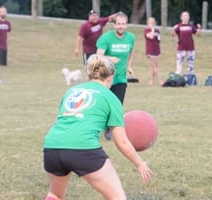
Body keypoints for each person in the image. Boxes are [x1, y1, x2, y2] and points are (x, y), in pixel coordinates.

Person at [43, 54, 152, 200]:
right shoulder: (111, 98)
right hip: (82, 148)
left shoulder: (71, 91)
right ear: (111, 77)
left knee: (55, 194)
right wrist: (140, 163)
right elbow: (122, 142)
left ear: (90, 74)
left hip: (52, 146)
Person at [96, 12, 135, 105]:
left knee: (117, 105)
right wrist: (109, 58)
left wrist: (129, 66)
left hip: (121, 79)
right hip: (105, 78)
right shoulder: (105, 38)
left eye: (123, 24)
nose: (120, 26)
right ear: (114, 25)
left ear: (126, 25)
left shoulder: (131, 38)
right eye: (118, 24)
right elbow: (98, 56)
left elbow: (131, 52)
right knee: (104, 105)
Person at [171, 11, 201, 76]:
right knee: (179, 64)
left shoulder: (191, 26)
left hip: (190, 48)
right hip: (181, 48)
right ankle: (177, 78)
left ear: (189, 17)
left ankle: (191, 79)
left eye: (187, 16)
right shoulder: (178, 26)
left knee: (191, 65)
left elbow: (197, 34)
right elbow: (173, 35)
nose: (186, 17)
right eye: (184, 16)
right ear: (181, 17)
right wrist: (173, 28)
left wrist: (199, 28)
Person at [144, 17, 163, 85]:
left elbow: (158, 40)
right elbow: (151, 37)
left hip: (156, 50)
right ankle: (160, 80)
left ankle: (151, 80)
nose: (152, 23)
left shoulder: (157, 31)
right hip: (150, 50)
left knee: (154, 66)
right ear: (148, 23)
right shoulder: (146, 30)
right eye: (150, 22)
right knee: (155, 66)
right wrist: (152, 30)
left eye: (153, 22)